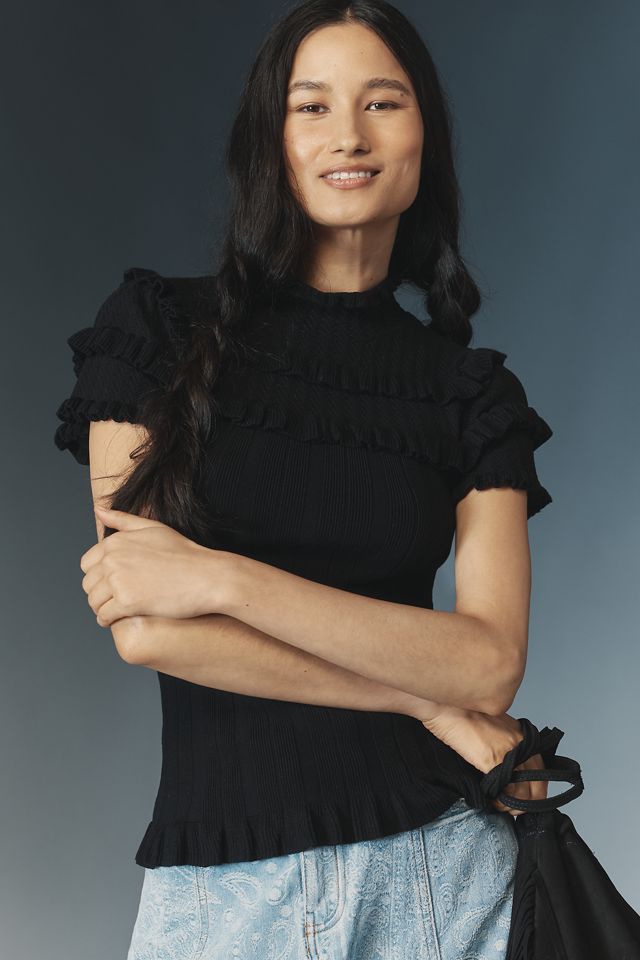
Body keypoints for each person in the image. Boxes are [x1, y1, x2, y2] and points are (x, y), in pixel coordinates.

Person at [54, 2, 554, 957]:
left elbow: (491, 664)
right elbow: (150, 626)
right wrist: (424, 699)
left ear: (424, 134)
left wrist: (223, 578)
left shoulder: (471, 392)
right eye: (311, 106)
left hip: (445, 871)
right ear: (270, 139)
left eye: (383, 102)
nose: (348, 136)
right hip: (224, 894)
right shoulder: (156, 330)